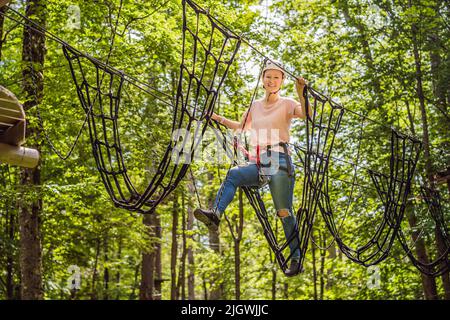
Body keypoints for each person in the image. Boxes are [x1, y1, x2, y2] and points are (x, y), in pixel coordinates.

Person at [194, 60, 311, 276]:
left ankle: (296, 258)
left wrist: (301, 92)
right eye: (268, 77)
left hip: (280, 159)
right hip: (260, 161)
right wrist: (216, 117)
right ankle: (215, 214)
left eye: (276, 77)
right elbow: (240, 127)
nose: (272, 81)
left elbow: (306, 114)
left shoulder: (287, 103)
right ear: (262, 79)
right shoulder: (255, 106)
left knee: (283, 212)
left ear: (282, 81)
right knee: (234, 175)